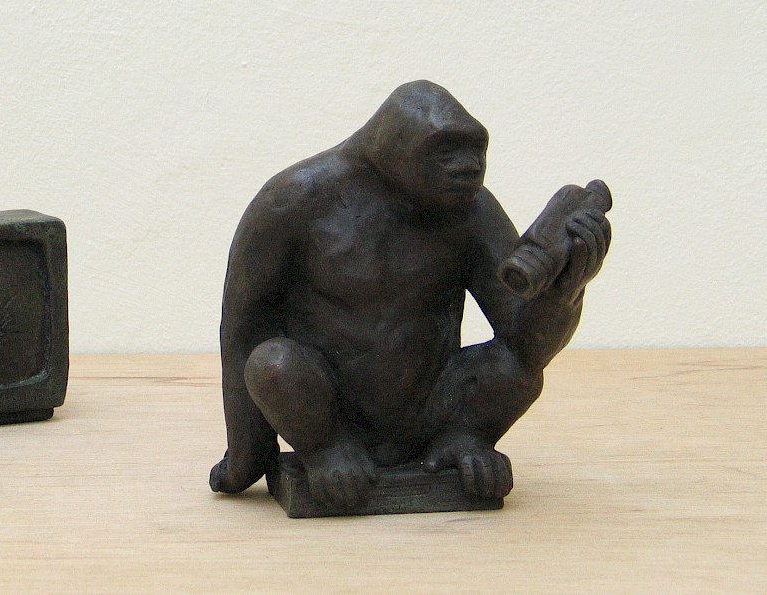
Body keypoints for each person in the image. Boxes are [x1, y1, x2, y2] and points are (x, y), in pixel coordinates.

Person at [209, 80, 611, 510]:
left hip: (434, 405)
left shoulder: (470, 209)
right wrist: (248, 456)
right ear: (394, 145)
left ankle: (461, 439)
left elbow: (523, 343)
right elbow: (243, 330)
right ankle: (331, 448)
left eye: (476, 151)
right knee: (272, 363)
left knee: (516, 369)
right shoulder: (295, 199)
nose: (469, 168)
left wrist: (565, 292)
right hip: (325, 407)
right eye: (446, 152)